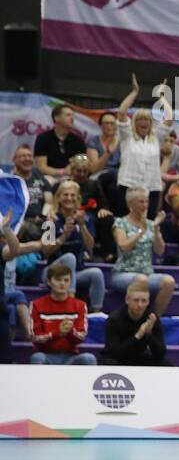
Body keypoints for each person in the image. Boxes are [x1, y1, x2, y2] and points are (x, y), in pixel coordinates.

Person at [41, 180, 105, 315]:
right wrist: (63, 235)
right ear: (58, 198)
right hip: (51, 272)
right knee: (69, 258)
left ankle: (96, 314)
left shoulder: (85, 219)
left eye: (72, 195)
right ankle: (70, 306)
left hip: (76, 272)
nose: (69, 198)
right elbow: (45, 253)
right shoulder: (50, 221)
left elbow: (90, 249)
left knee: (97, 273)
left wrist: (82, 226)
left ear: (78, 198)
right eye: (65, 195)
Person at [111, 187, 176, 315]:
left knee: (169, 282)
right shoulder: (120, 223)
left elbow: (160, 250)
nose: (145, 205)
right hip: (123, 273)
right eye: (141, 202)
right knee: (141, 280)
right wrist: (141, 231)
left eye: (146, 201)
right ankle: (137, 318)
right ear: (130, 204)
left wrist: (156, 230)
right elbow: (123, 247)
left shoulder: (151, 224)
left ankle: (154, 318)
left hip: (146, 274)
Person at [114, 75, 170, 218]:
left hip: (152, 187)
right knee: (126, 222)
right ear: (134, 122)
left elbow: (169, 118)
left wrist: (161, 97)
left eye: (146, 119)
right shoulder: (127, 136)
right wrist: (134, 93)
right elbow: (121, 113)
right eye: (139, 119)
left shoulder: (156, 137)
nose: (143, 122)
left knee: (148, 224)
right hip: (129, 185)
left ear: (151, 123)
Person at [29, 260, 95, 365]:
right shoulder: (36, 305)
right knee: (37, 358)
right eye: (58, 280)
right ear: (49, 281)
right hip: (46, 355)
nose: (62, 283)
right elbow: (35, 338)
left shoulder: (80, 305)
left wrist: (69, 331)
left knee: (89, 358)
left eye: (66, 280)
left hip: (71, 356)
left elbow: (81, 336)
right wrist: (58, 333)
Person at [2, 209, 42, 363]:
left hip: (6, 297)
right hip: (7, 295)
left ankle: (8, 351)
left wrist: (50, 227)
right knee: (17, 296)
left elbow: (24, 248)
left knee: (10, 309)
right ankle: (29, 331)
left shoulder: (9, 251)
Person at [102, 278, 168, 366]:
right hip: (119, 359)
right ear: (127, 300)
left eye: (144, 301)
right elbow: (115, 353)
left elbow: (160, 354)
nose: (140, 305)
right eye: (136, 300)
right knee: (110, 362)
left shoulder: (151, 318)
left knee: (165, 363)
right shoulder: (114, 319)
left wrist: (149, 334)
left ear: (148, 302)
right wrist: (138, 336)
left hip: (139, 358)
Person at [66, 155, 116, 260]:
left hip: (90, 213)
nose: (82, 174)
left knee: (106, 218)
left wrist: (104, 209)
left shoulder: (93, 184)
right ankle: (84, 251)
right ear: (72, 170)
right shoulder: (66, 185)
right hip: (68, 213)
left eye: (85, 171)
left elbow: (103, 202)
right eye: (79, 171)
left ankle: (108, 254)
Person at [34, 104, 88, 180]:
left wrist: (75, 163)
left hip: (73, 176)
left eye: (72, 115)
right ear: (56, 118)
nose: (72, 118)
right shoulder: (43, 139)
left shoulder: (78, 140)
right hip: (50, 177)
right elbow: (42, 167)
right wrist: (62, 172)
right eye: (68, 115)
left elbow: (84, 159)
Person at [9, 144, 52, 239]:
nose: (27, 159)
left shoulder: (38, 175)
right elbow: (8, 208)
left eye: (29, 156)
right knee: (26, 229)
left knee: (51, 225)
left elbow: (49, 201)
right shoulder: (10, 181)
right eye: (23, 156)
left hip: (40, 219)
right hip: (20, 222)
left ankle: (48, 253)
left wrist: (43, 216)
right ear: (14, 160)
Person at [87, 112, 121, 179]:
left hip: (119, 176)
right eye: (106, 123)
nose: (109, 126)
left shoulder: (122, 142)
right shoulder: (93, 142)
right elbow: (94, 169)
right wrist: (107, 153)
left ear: (116, 126)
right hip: (99, 175)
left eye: (112, 123)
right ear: (100, 125)